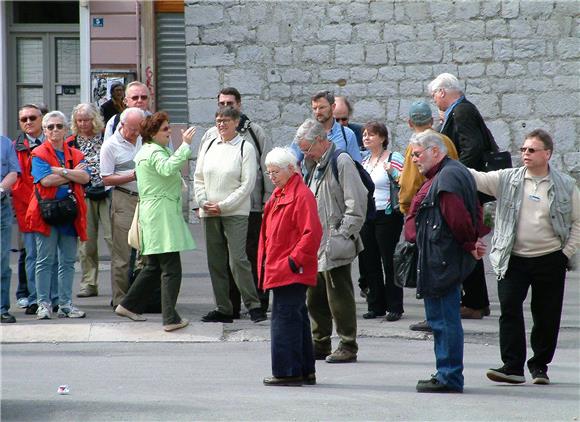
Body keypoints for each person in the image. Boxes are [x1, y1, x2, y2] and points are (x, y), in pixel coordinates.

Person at [468, 129, 579, 386]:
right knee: (509, 308)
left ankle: (539, 365)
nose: (525, 154)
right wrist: (446, 162)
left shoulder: (565, 185)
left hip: (550, 258)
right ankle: (512, 366)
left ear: (547, 154)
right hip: (513, 257)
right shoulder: (508, 179)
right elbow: (477, 178)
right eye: (523, 149)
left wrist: (565, 254)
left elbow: (578, 221)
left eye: (531, 150)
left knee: (546, 315)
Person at [404, 131, 488, 393]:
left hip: (441, 262)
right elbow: (475, 210)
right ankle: (446, 373)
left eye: (418, 154)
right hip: (440, 259)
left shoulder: (447, 177)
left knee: (443, 321)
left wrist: (469, 243)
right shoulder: (450, 173)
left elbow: (460, 219)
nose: (415, 160)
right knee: (443, 320)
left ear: (435, 152)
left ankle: (449, 376)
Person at [115, 112, 196, 332]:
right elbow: (167, 168)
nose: (169, 132)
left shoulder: (147, 151)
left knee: (152, 266)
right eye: (165, 129)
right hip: (160, 214)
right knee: (171, 268)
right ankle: (170, 318)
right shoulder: (154, 152)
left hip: (153, 213)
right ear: (153, 133)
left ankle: (128, 305)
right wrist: (185, 146)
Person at [197, 87, 273, 317]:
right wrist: (202, 201)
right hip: (209, 211)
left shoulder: (249, 141)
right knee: (217, 262)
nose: (222, 121)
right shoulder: (209, 139)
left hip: (242, 209)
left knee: (241, 259)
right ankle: (225, 307)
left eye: (226, 117)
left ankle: (255, 304)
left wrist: (228, 204)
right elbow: (198, 175)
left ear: (238, 111)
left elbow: (251, 180)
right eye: (219, 115)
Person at [296, 118, 367, 363]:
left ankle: (348, 344)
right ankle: (321, 342)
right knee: (314, 297)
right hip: (317, 241)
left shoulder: (341, 161)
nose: (305, 153)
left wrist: (343, 234)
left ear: (320, 140)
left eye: (307, 148)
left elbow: (356, 202)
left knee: (339, 296)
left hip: (334, 240)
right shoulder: (314, 164)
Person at [428, 72, 491, 320]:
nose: (434, 100)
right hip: (466, 184)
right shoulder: (459, 110)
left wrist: (454, 174)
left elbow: (472, 146)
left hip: (465, 186)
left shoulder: (462, 110)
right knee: (467, 239)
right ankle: (477, 301)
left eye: (435, 95)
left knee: (466, 240)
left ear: (442, 92)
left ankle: (475, 302)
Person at [258, 147, 323, 386]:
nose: (271, 176)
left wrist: (293, 261)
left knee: (284, 319)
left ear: (290, 170)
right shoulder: (282, 193)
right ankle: (305, 370)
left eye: (275, 171)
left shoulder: (300, 195)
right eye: (268, 172)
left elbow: (312, 232)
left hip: (290, 268)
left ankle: (288, 371)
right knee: (296, 318)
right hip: (283, 266)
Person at [399, 101, 459, 333]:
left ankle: (433, 316)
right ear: (432, 121)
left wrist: (406, 209)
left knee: (427, 265)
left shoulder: (416, 146)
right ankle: (444, 312)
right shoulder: (446, 141)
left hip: (425, 212)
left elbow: (409, 182)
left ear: (409, 122)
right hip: (445, 208)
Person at [25, 111, 90, 320]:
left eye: (59, 126)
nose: (55, 130)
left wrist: (59, 171)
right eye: (50, 127)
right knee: (44, 260)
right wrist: (70, 174)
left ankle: (65, 304)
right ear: (44, 130)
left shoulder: (76, 154)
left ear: (66, 129)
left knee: (68, 261)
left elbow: (85, 177)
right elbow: (45, 181)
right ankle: (43, 304)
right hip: (47, 213)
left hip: (70, 213)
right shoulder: (39, 153)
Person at [358, 122, 405, 321]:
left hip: (388, 215)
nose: (366, 138)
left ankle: (395, 306)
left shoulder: (394, 158)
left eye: (371, 135)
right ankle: (375, 305)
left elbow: (405, 180)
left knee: (389, 261)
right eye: (365, 135)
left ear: (383, 138)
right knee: (369, 261)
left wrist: (391, 172)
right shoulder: (364, 161)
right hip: (368, 215)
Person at [100, 107, 145, 308]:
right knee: (122, 253)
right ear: (122, 125)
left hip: (146, 199)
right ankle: (120, 300)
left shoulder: (146, 139)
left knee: (145, 252)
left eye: (139, 128)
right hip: (124, 198)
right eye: (132, 129)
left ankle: (140, 298)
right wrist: (133, 175)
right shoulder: (110, 146)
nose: (136, 133)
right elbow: (106, 178)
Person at [67, 103, 112, 298]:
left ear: (94, 119)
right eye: (80, 120)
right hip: (83, 194)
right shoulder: (70, 142)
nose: (84, 123)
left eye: (87, 119)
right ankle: (89, 283)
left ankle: (122, 283)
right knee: (87, 242)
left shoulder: (106, 137)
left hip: (108, 192)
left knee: (114, 239)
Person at [291, 91, 362, 163]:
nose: (318, 112)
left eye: (322, 107)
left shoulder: (347, 135)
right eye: (315, 108)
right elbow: (292, 163)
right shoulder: (304, 133)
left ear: (333, 107)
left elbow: (356, 165)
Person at [1, 135, 20, 323]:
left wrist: (0, 189)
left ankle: (2, 308)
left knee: (2, 260)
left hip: (1, 206)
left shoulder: (5, 143)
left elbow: (14, 173)